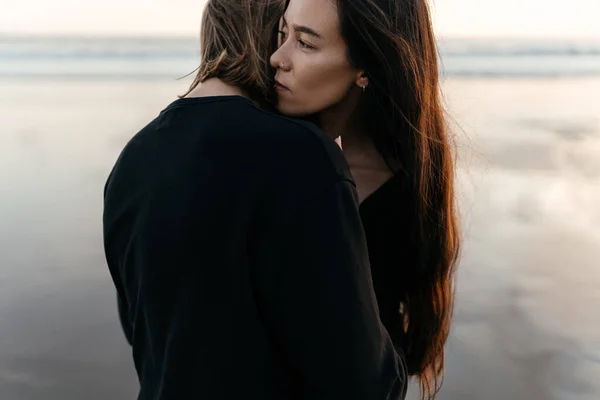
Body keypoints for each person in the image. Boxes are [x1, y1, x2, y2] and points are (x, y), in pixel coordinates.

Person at [102, 0, 407, 399]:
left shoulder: (132, 159)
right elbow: (364, 383)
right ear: (269, 36)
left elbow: (146, 335)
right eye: (287, 35)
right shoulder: (301, 155)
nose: (284, 56)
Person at [270, 0, 461, 398]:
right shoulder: (269, 150)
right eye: (282, 33)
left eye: (306, 44)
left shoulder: (404, 191)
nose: (277, 58)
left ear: (364, 66)